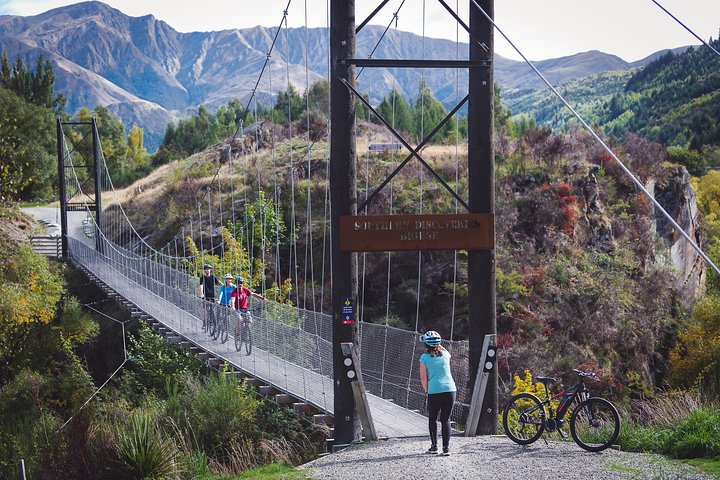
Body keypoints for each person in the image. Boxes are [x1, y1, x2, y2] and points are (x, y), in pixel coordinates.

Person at [419, 330, 456, 456]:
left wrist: (427, 391)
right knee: (446, 419)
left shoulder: (424, 358)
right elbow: (440, 348)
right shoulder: (446, 355)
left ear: (426, 344)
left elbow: (423, 378)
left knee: (433, 418)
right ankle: (446, 449)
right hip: (451, 390)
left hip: (434, 391)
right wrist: (437, 343)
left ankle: (434, 447)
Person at [198, 264, 220, 330]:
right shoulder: (202, 278)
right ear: (204, 270)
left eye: (208, 269)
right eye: (206, 269)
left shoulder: (213, 277)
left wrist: (225, 286)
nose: (207, 270)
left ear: (210, 270)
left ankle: (215, 324)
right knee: (205, 310)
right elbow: (201, 286)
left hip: (212, 296)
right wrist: (202, 294)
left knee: (212, 310)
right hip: (205, 296)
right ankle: (204, 323)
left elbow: (218, 282)